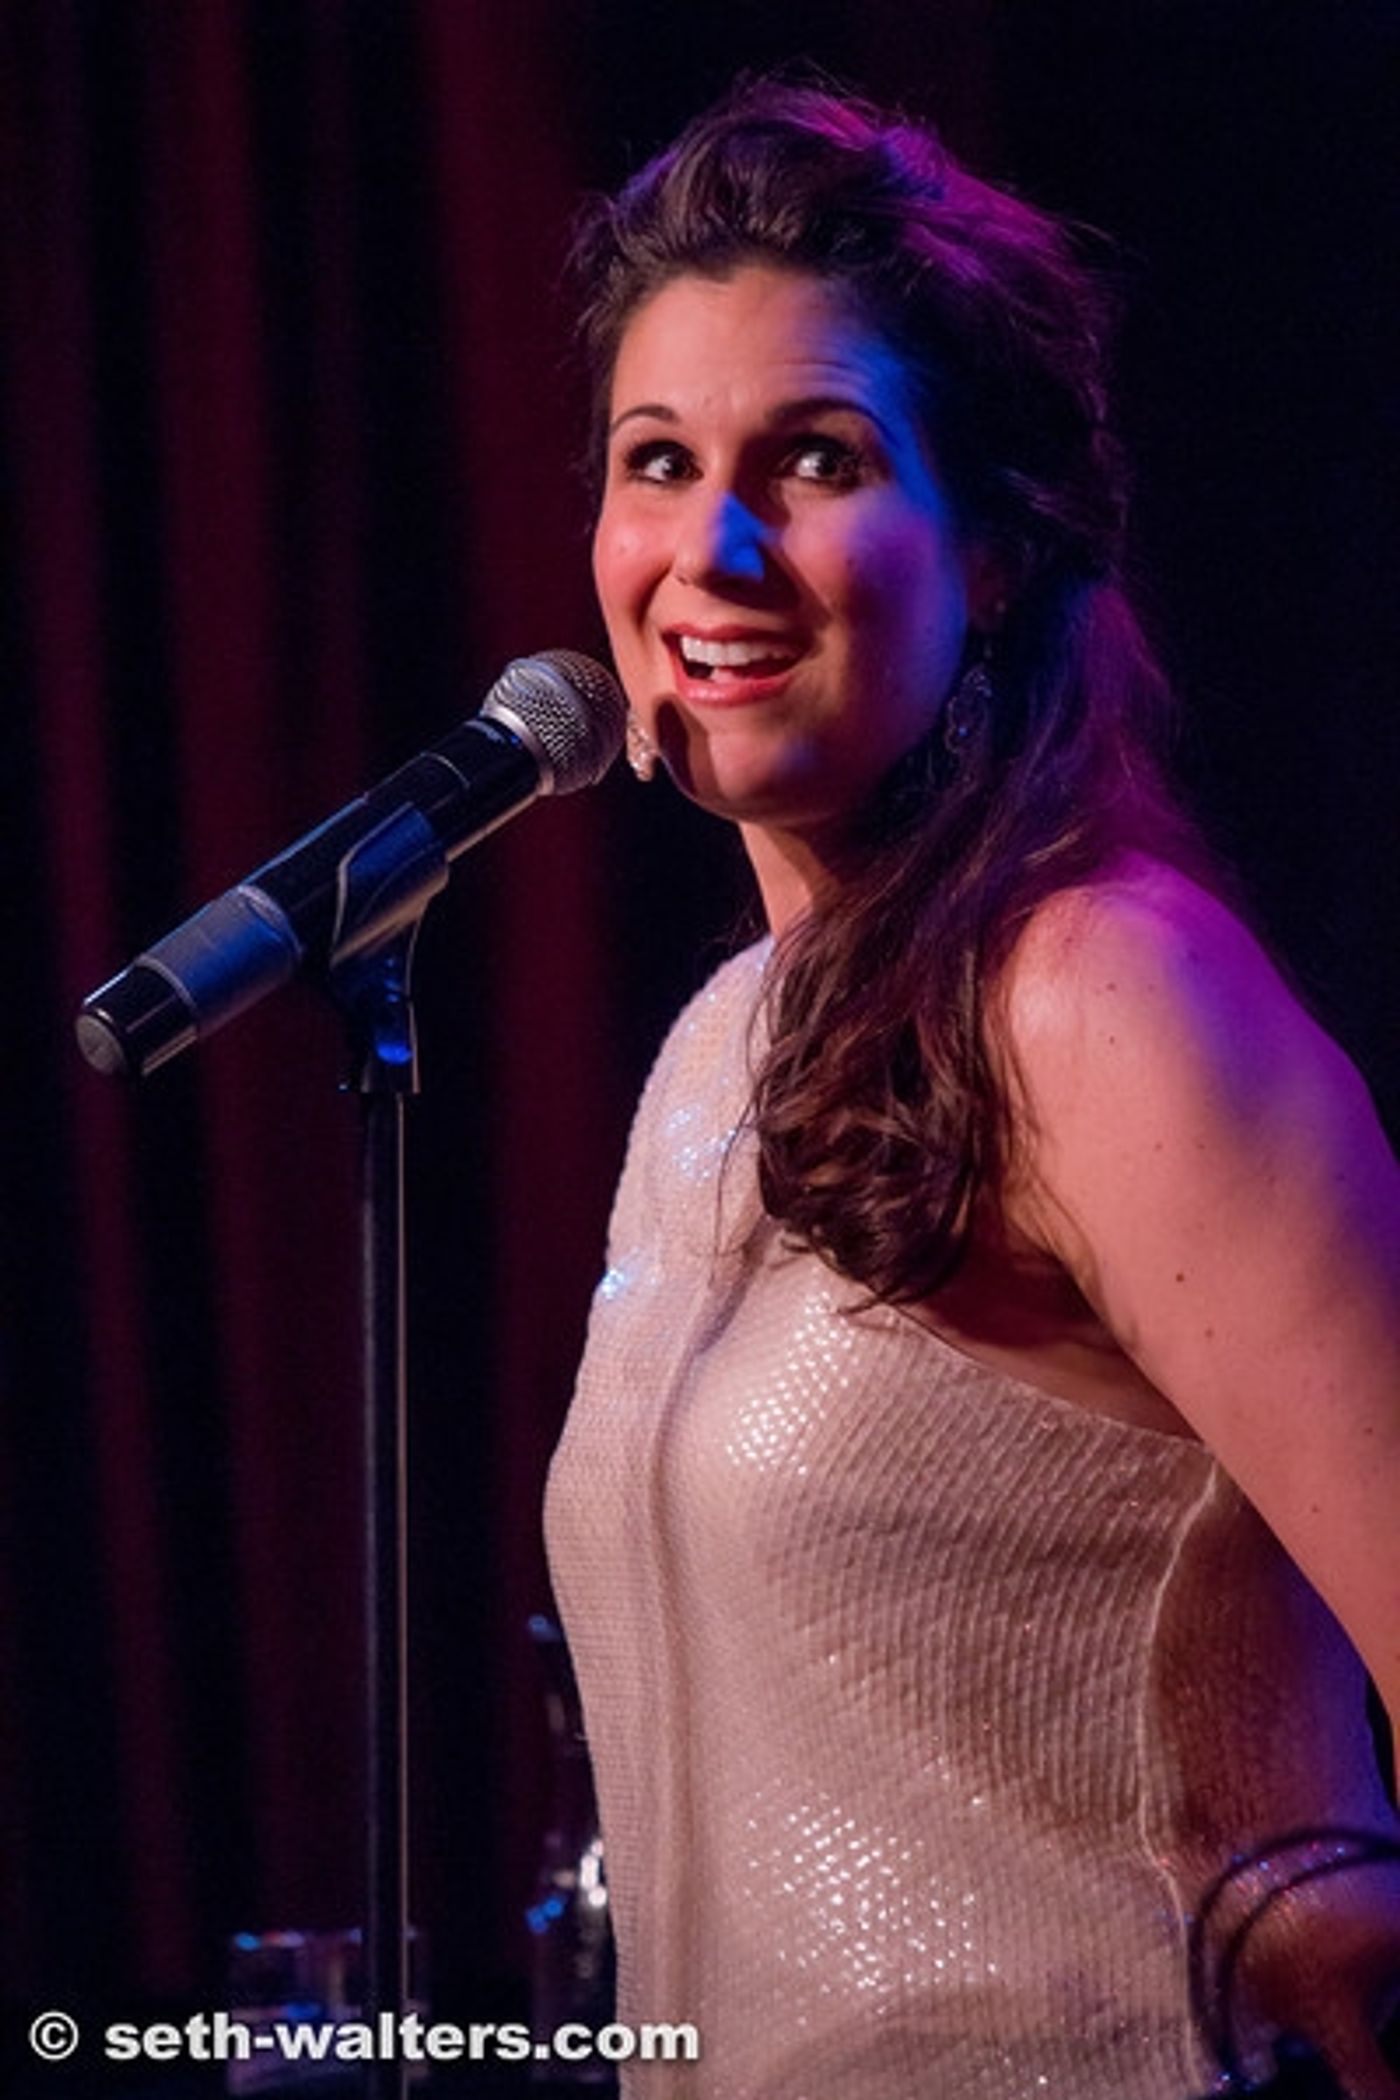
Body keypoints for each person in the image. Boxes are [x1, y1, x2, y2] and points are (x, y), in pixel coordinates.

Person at [544, 79, 1400, 2099]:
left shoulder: (1103, 995)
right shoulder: (707, 1058)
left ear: (994, 547)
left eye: (816, 461)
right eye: (655, 462)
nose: (713, 547)